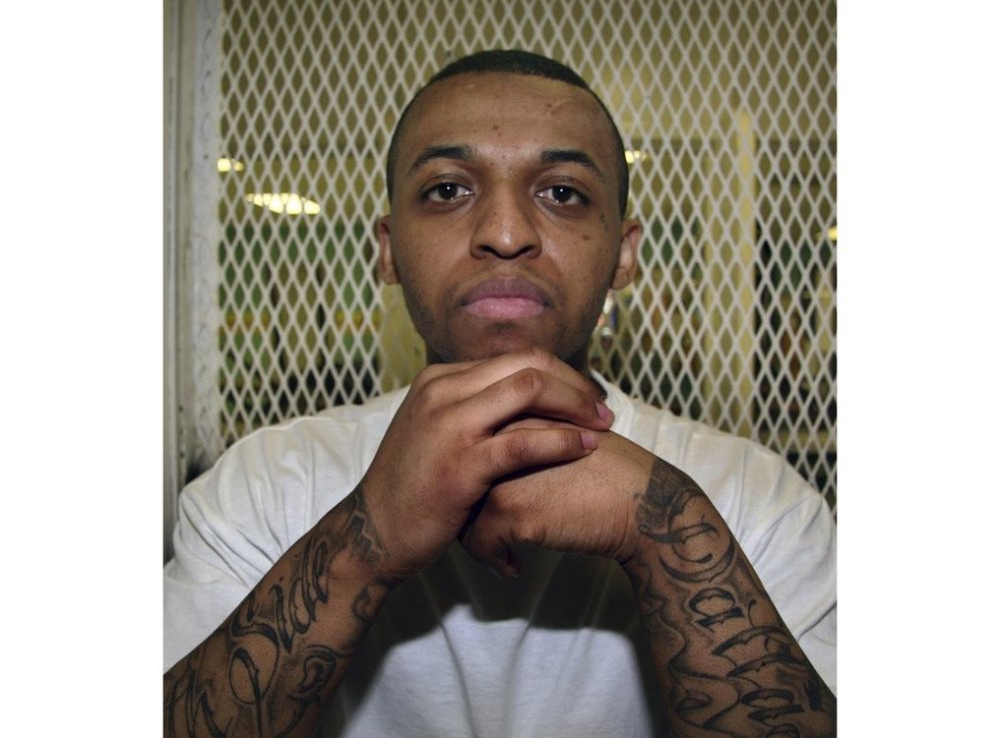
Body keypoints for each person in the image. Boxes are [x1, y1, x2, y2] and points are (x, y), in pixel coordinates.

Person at [164, 49, 836, 737]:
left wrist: (665, 531)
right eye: (448, 190)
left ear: (625, 254)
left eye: (564, 192)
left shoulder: (757, 499)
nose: (506, 234)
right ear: (388, 250)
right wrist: (363, 539)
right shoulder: (267, 482)